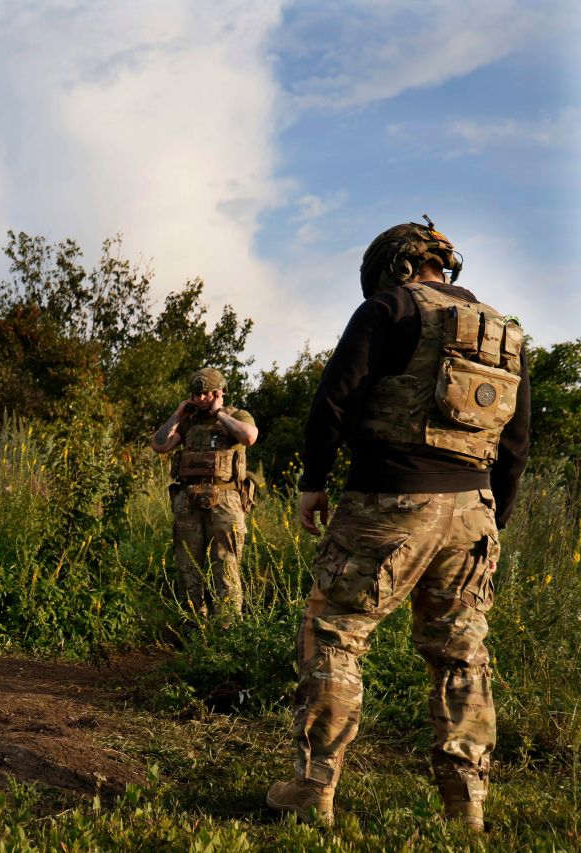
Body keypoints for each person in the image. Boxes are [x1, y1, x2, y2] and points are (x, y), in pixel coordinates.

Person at [266, 219, 530, 831]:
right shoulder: (507, 333)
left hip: (389, 501)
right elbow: (515, 445)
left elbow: (335, 399)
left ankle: (314, 791)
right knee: (461, 655)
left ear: (395, 267)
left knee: (334, 633)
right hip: (474, 514)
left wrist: (313, 481)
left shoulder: (388, 308)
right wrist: (492, 520)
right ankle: (466, 809)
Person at [151, 367, 260, 619]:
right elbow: (159, 445)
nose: (200, 399)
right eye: (196, 394)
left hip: (226, 501)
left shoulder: (237, 415)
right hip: (188, 501)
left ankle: (227, 630)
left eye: (206, 394)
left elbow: (249, 437)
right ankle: (193, 628)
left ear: (220, 392)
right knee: (187, 567)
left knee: (226, 567)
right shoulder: (188, 421)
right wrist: (178, 414)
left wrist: (220, 413)